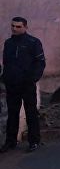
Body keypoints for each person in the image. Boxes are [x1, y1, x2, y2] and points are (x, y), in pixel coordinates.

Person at [0, 17, 46, 153]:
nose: (15, 29)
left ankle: (34, 141)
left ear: (25, 27)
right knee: (12, 113)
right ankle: (10, 141)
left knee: (31, 113)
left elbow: (40, 63)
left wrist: (32, 79)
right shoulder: (8, 43)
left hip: (27, 85)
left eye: (18, 26)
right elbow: (6, 63)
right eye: (13, 26)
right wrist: (5, 77)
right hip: (12, 84)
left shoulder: (33, 42)